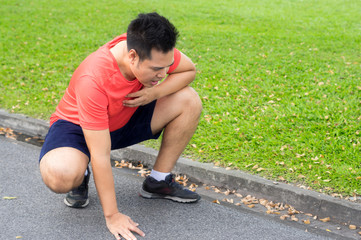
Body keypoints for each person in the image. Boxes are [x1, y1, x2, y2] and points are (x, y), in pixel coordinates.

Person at [38, 12, 202, 240]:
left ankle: (158, 181)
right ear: (132, 56)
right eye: (156, 70)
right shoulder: (93, 78)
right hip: (78, 129)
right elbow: (101, 155)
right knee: (60, 176)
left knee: (189, 100)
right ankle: (80, 169)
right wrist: (112, 215)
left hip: (124, 114)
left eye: (167, 66)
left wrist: (155, 91)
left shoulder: (154, 48)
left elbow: (189, 70)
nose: (163, 74)